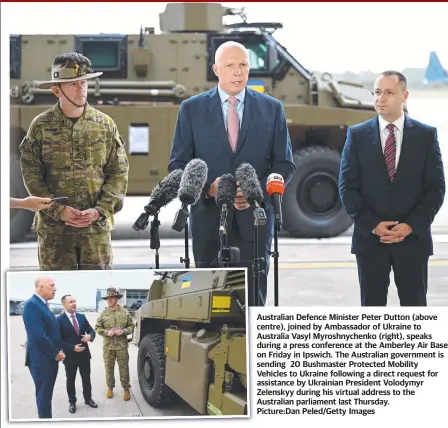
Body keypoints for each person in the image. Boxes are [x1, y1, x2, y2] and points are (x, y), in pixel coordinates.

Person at [168, 41, 296, 306]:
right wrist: (207, 188)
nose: (238, 72)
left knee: (253, 301)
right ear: (216, 69)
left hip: (255, 222)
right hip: (208, 221)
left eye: (243, 65)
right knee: (209, 303)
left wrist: (254, 192)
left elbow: (285, 164)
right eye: (230, 66)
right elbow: (178, 165)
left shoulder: (272, 109)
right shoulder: (191, 109)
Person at [339, 70, 445, 306]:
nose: (380, 98)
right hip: (370, 241)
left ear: (404, 95)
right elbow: (347, 188)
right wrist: (372, 225)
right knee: (372, 312)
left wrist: (410, 226)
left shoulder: (426, 135)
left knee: (415, 310)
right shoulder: (356, 135)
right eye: (377, 92)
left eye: (388, 92)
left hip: (412, 241)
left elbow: (435, 189)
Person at [19, 52, 129, 271]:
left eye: (83, 83)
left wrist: (100, 210)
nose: (81, 89)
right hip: (55, 233)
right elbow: (31, 174)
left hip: (95, 231)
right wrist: (58, 210)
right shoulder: (40, 126)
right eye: (73, 84)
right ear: (56, 89)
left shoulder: (105, 124)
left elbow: (118, 172)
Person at [22, 277, 66, 418]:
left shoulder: (43, 304)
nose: (55, 288)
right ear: (41, 287)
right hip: (42, 361)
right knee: (44, 399)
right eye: (51, 285)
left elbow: (51, 330)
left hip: (47, 360)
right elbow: (38, 336)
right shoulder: (31, 305)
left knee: (46, 397)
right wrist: (55, 354)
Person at [56, 294, 98, 414]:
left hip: (84, 355)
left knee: (86, 379)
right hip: (70, 356)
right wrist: (72, 348)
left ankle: (88, 399)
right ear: (64, 304)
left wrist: (90, 336)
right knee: (71, 380)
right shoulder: (59, 320)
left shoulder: (81, 316)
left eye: (74, 301)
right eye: (70, 302)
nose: (74, 303)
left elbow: (91, 330)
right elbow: (58, 340)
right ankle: (72, 402)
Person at [95, 288, 134, 401]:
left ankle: (126, 389)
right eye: (108, 298)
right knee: (109, 369)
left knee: (124, 368)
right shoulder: (104, 313)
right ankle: (110, 387)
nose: (110, 300)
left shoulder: (125, 312)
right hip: (108, 347)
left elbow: (131, 326)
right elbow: (97, 328)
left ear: (117, 299)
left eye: (112, 298)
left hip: (122, 346)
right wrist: (107, 333)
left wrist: (124, 331)